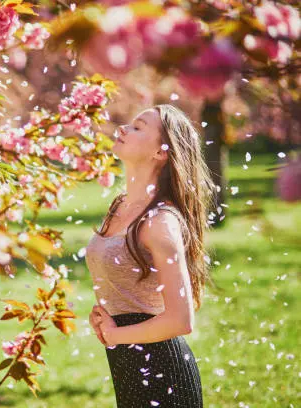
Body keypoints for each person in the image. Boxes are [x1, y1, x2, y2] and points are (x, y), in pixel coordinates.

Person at [85, 104, 217, 407]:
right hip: (126, 366)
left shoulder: (160, 222)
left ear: (161, 152)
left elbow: (181, 320)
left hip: (163, 373)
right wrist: (105, 316)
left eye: (138, 127)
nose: (122, 129)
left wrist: (114, 335)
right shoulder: (119, 207)